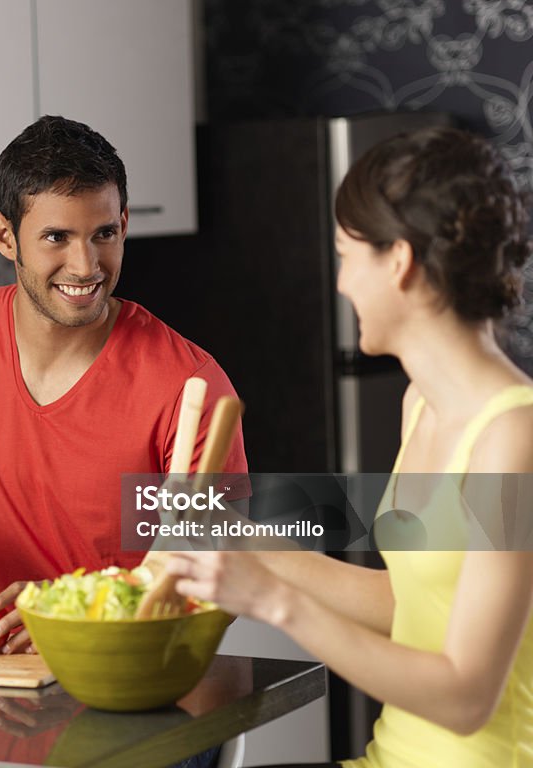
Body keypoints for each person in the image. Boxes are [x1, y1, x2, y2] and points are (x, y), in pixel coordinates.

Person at [167, 126, 533, 767]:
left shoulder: (514, 436)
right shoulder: (420, 403)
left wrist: (272, 600)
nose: (339, 284)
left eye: (345, 255)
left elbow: (468, 696)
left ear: (398, 260)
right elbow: (408, 604)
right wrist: (243, 541)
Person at [0, 115, 248, 653]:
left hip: (132, 698)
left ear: (124, 225)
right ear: (4, 236)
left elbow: (221, 584)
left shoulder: (189, 386)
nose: (86, 266)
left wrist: (74, 616)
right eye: (57, 237)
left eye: (103, 234)